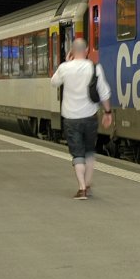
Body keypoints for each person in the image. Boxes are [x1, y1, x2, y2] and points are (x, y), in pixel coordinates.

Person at [50, 39, 112, 199]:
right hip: (90, 117)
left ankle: (81, 188)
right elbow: (104, 93)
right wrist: (108, 112)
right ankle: (88, 184)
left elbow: (54, 82)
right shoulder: (94, 67)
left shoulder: (64, 68)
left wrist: (65, 63)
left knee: (77, 153)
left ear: (71, 51)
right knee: (89, 151)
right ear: (86, 51)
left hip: (71, 118)